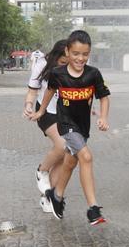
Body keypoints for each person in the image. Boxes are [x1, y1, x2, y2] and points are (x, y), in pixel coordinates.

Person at [31, 30, 111, 225]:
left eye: (84, 54)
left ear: (89, 53)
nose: (80, 58)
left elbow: (104, 97)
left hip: (83, 126)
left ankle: (55, 197)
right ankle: (93, 209)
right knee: (86, 157)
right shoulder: (58, 73)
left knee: (70, 162)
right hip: (66, 125)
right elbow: (49, 91)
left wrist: (103, 117)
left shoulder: (93, 74)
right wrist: (41, 111)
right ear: (67, 52)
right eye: (75, 53)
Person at [23, 40, 69, 213]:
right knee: (62, 145)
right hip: (46, 112)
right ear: (55, 57)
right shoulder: (42, 65)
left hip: (66, 114)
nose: (65, 66)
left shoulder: (75, 66)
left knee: (66, 157)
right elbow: (32, 91)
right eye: (63, 62)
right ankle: (41, 170)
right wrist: (28, 105)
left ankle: (49, 196)